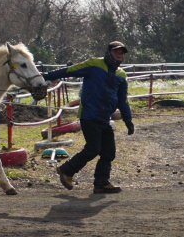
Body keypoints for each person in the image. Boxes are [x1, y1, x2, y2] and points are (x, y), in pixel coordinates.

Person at [42, 41, 135, 194]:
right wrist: (47, 76)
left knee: (109, 152)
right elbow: (70, 70)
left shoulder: (121, 75)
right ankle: (66, 170)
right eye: (116, 52)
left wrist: (128, 120)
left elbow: (122, 99)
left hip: (105, 118)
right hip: (89, 115)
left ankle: (101, 183)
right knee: (93, 149)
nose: (120, 55)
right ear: (109, 52)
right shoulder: (94, 64)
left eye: (122, 53)